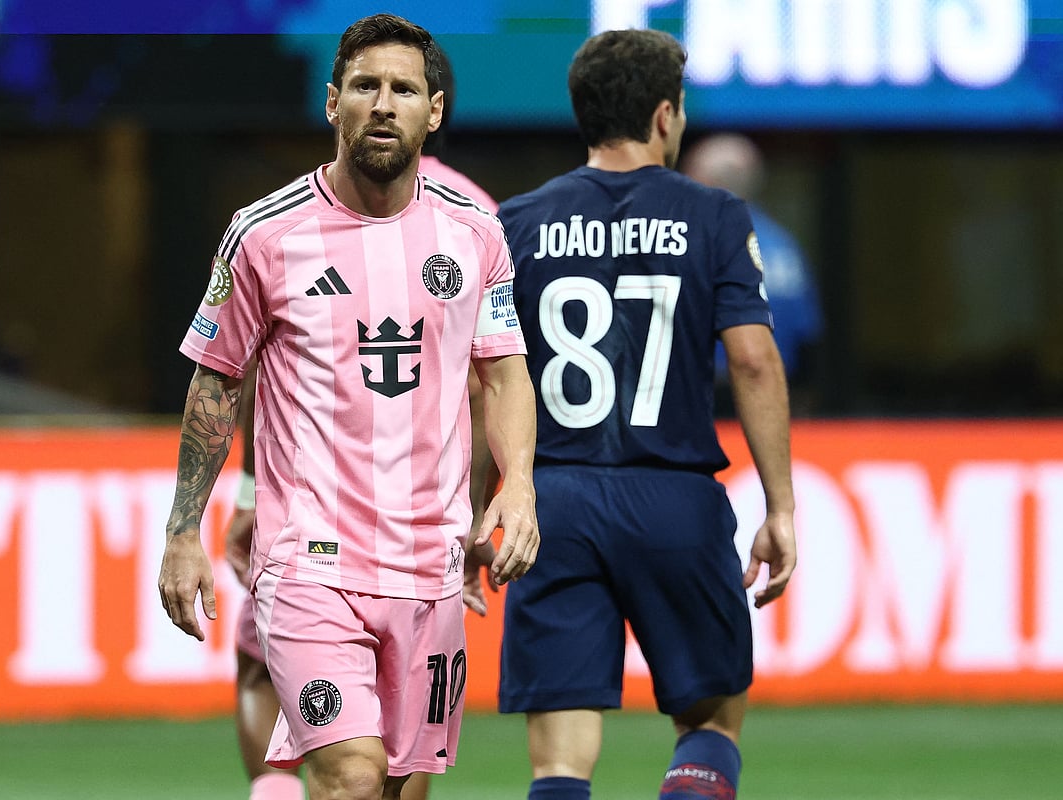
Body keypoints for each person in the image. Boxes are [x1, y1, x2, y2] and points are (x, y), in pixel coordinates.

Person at [157, 13, 540, 800]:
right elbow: (217, 380)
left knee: (401, 785)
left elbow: (503, 373)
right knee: (351, 775)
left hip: (428, 561)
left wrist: (518, 484)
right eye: (365, 86)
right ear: (333, 102)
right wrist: (183, 530)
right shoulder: (263, 235)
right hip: (308, 560)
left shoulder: (475, 235)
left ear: (434, 111)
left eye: (404, 88)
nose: (383, 103)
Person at [495, 28, 797, 800]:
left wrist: (482, 505)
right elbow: (755, 359)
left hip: (554, 502)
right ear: (665, 115)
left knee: (559, 759)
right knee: (711, 721)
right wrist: (781, 506)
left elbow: (489, 381)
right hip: (674, 496)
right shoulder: (716, 215)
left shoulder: (516, 223)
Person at [680, 133, 824, 415]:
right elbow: (809, 339)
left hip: (707, 403)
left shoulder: (693, 243)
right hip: (775, 399)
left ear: (706, 183)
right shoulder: (784, 246)